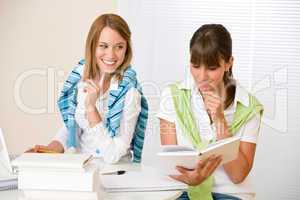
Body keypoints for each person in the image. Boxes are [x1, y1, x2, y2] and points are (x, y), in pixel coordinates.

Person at [157, 24, 263, 200]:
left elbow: (237, 175)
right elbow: (172, 164)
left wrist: (220, 120)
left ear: (229, 63)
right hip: (183, 190)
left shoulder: (248, 107)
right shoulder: (172, 97)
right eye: (195, 65)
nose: (201, 76)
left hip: (230, 193)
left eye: (211, 68)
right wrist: (193, 179)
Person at [28, 14, 148, 164]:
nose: (111, 55)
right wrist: (52, 148)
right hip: (82, 166)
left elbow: (113, 155)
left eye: (119, 47)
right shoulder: (80, 77)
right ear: (93, 46)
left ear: (126, 49)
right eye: (103, 46)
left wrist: (91, 109)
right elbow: (73, 123)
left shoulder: (130, 91)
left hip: (115, 172)